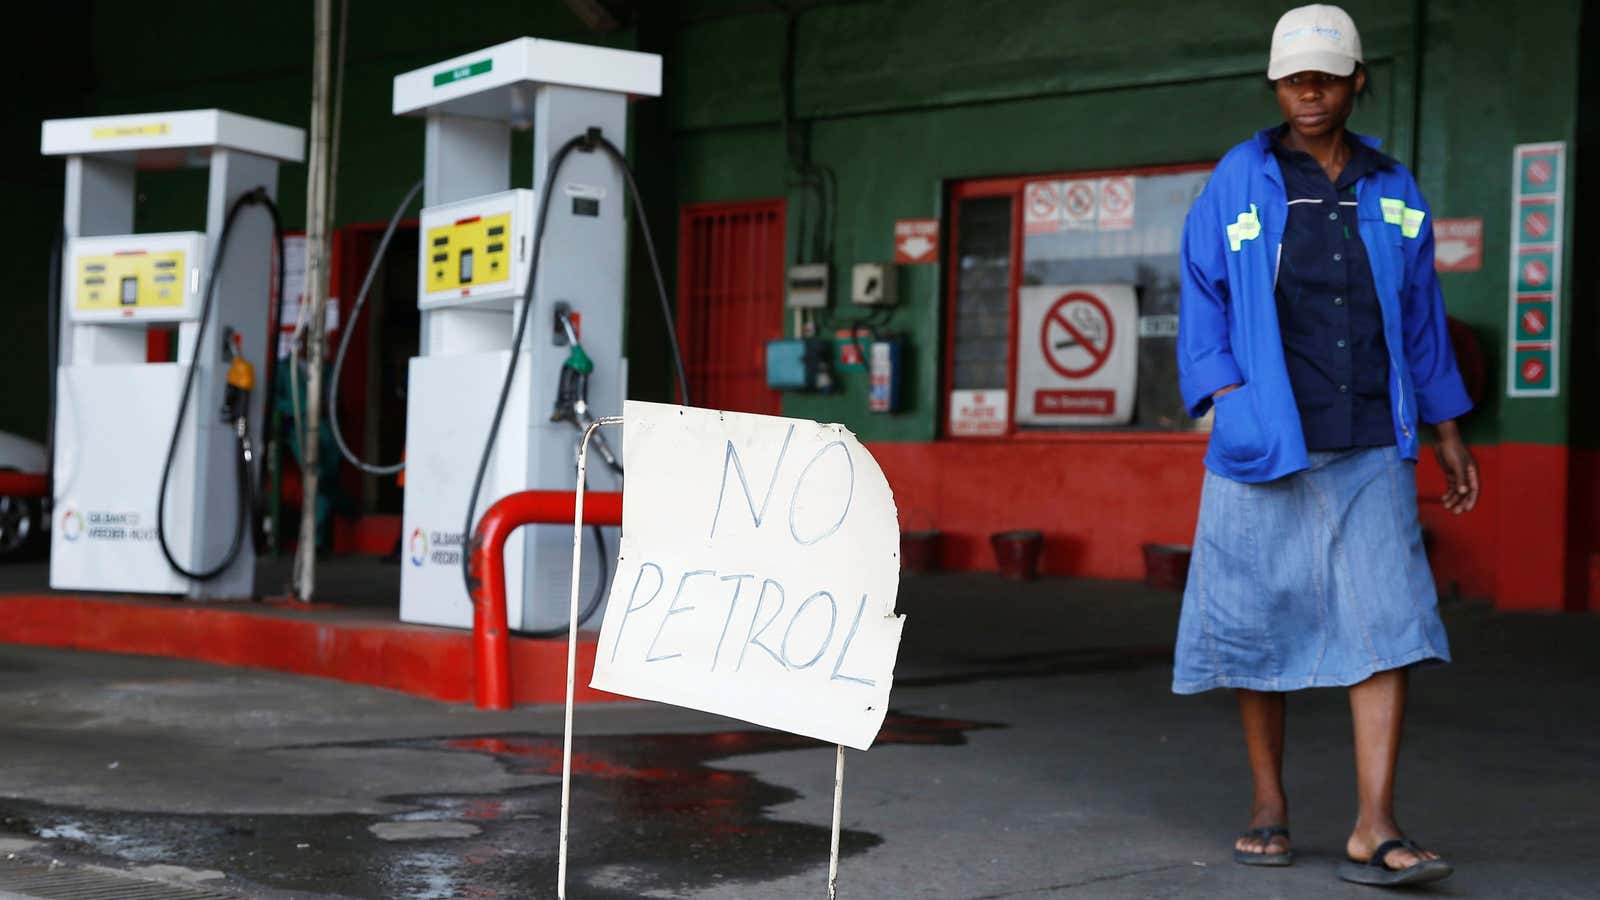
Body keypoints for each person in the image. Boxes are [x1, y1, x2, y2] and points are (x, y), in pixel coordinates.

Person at [1173, 4, 1480, 888]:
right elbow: (1202, 294)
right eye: (1293, 77)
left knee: (1387, 624)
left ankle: (1373, 823)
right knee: (1255, 614)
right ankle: (1269, 803)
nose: (1309, 91)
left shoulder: (1394, 186)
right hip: (1264, 435)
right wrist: (1225, 396)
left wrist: (1447, 421)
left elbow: (1419, 313)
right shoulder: (1239, 177)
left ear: (1356, 80)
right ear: (1276, 85)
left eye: (1326, 75)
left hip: (1369, 435)